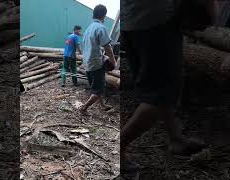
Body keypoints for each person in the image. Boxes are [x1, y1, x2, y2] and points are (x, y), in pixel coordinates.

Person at [120, 0, 216, 176]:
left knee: (157, 89)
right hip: (157, 21)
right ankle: (117, 148)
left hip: (131, 20)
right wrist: (210, 11)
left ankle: (176, 139)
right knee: (159, 96)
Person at [79, 4, 116, 115]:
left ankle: (103, 105)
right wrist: (113, 60)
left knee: (96, 88)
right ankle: (83, 108)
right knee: (98, 89)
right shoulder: (101, 28)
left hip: (87, 63)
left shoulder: (88, 29)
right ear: (103, 15)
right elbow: (107, 47)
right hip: (96, 64)